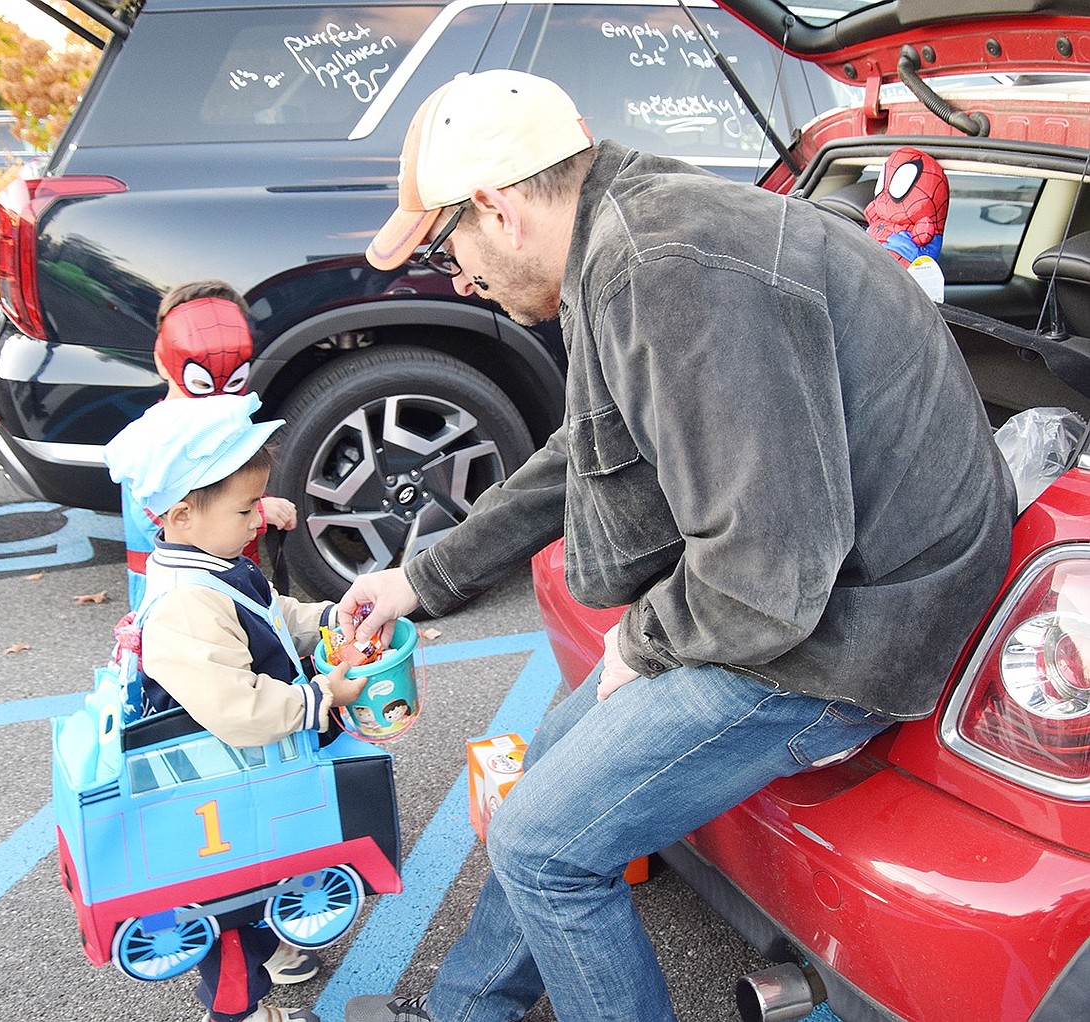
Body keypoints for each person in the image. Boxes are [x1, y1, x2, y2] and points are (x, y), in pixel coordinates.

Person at [340, 69, 1016, 1022]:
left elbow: (766, 579)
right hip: (812, 592)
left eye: (453, 245)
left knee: (542, 844)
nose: (463, 280)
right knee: (543, 796)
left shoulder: (668, 266)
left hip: (849, 630)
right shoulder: (623, 236)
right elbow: (590, 444)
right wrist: (425, 576)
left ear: (497, 206)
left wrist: (640, 641)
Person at [104, 393, 367, 1022]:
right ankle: (238, 1009)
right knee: (229, 916)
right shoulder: (186, 603)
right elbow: (239, 708)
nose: (258, 519)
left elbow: (272, 615)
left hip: (245, 772)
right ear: (182, 515)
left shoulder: (218, 565)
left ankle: (277, 948)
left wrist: (329, 617)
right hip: (216, 787)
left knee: (266, 877)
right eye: (245, 507)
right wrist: (323, 695)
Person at [119, 279, 297, 608]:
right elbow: (158, 516)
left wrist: (255, 501)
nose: (216, 397)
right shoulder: (150, 442)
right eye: (202, 381)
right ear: (163, 360)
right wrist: (258, 510)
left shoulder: (228, 425)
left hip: (232, 576)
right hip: (174, 594)